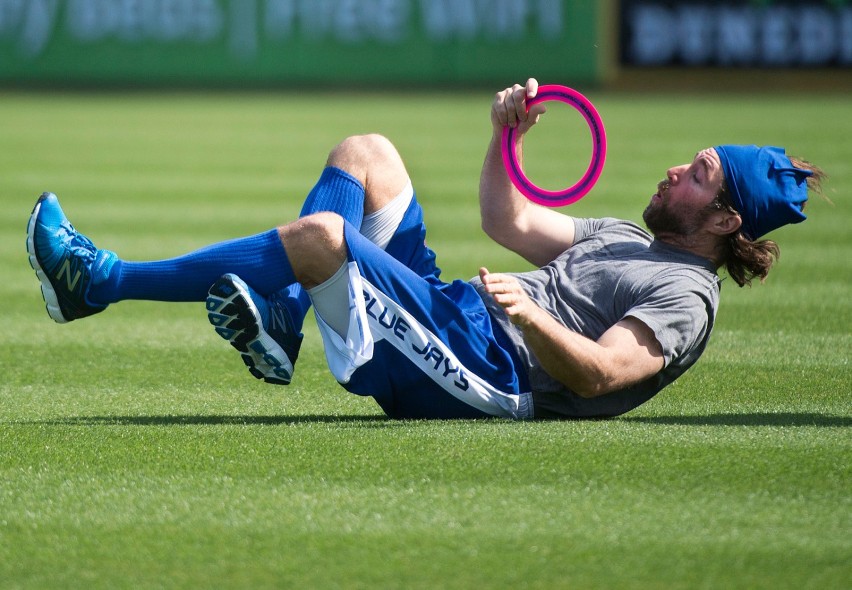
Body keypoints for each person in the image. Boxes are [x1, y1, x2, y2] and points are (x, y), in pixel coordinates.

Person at [26, 79, 825, 420]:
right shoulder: (628, 234)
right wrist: (502, 135)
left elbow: (603, 374)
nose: (676, 168)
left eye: (700, 175)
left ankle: (97, 282)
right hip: (459, 318)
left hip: (489, 371)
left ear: (725, 223)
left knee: (321, 239)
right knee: (367, 150)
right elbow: (507, 223)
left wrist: (529, 315)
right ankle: (281, 313)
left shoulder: (688, 297)